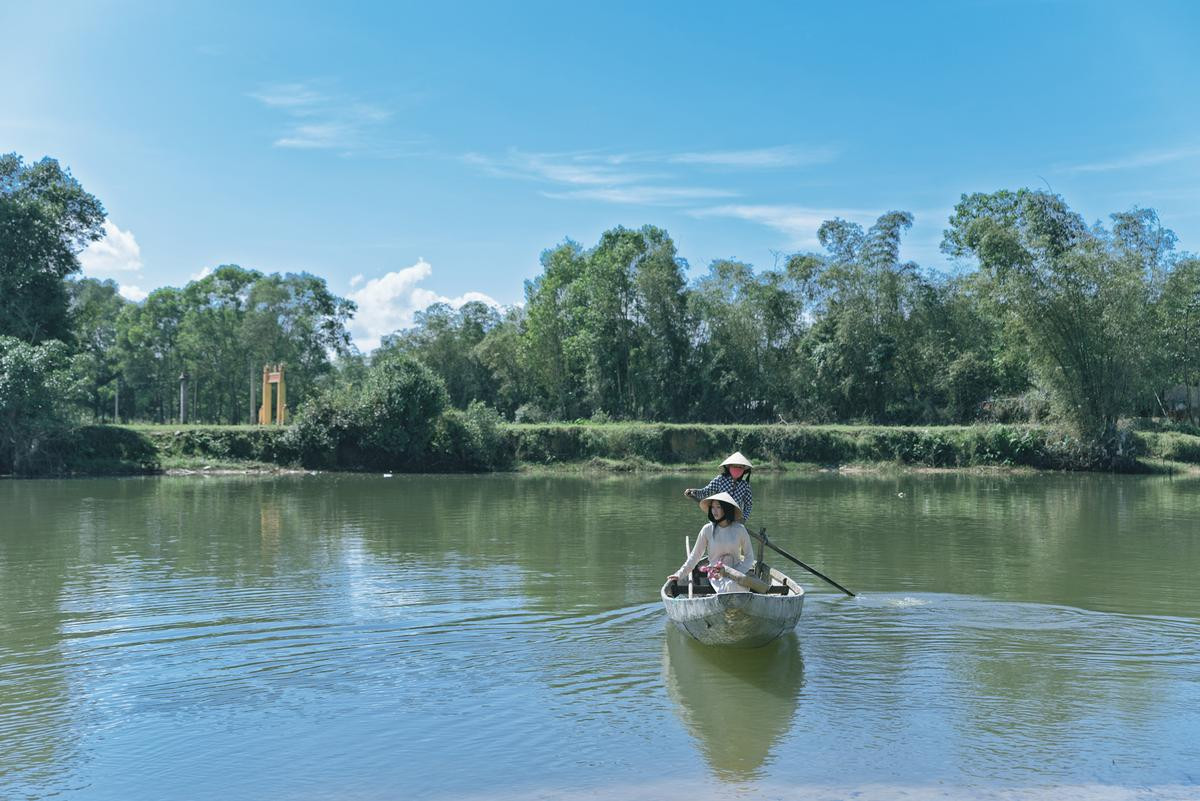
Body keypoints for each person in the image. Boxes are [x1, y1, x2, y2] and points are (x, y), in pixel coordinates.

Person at [668, 492, 757, 594]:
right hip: (716, 575)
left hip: (737, 573)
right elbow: (695, 556)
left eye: (718, 507)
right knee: (728, 587)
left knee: (736, 586)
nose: (714, 511)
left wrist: (736, 573)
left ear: (726, 508)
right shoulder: (707, 529)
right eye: (712, 507)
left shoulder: (740, 529)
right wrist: (679, 574)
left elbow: (749, 558)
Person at [683, 451, 753, 523]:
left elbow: (748, 505)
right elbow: (705, 492)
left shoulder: (745, 486)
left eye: (740, 467)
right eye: (735, 466)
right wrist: (692, 492)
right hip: (717, 519)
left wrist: (743, 518)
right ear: (729, 467)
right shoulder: (720, 480)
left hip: (734, 520)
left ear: (744, 470)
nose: (738, 469)